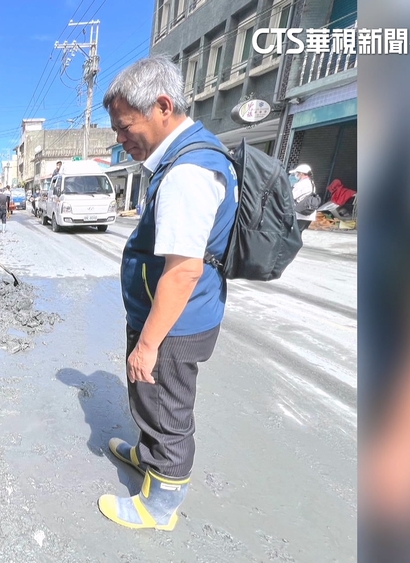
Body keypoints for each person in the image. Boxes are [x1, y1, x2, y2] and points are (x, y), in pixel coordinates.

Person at [97, 56, 238, 531]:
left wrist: (147, 344)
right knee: (151, 401)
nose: (120, 138)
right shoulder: (186, 158)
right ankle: (149, 457)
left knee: (167, 411)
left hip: (175, 324)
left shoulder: (186, 172)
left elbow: (182, 272)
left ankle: (159, 506)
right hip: (173, 317)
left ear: (162, 106)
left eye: (124, 127)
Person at [290, 163, 317, 231]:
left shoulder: (301, 184)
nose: (296, 175)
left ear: (301, 173)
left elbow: (292, 196)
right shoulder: (311, 182)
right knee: (298, 233)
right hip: (308, 215)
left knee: (294, 234)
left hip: (300, 214)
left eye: (297, 173)